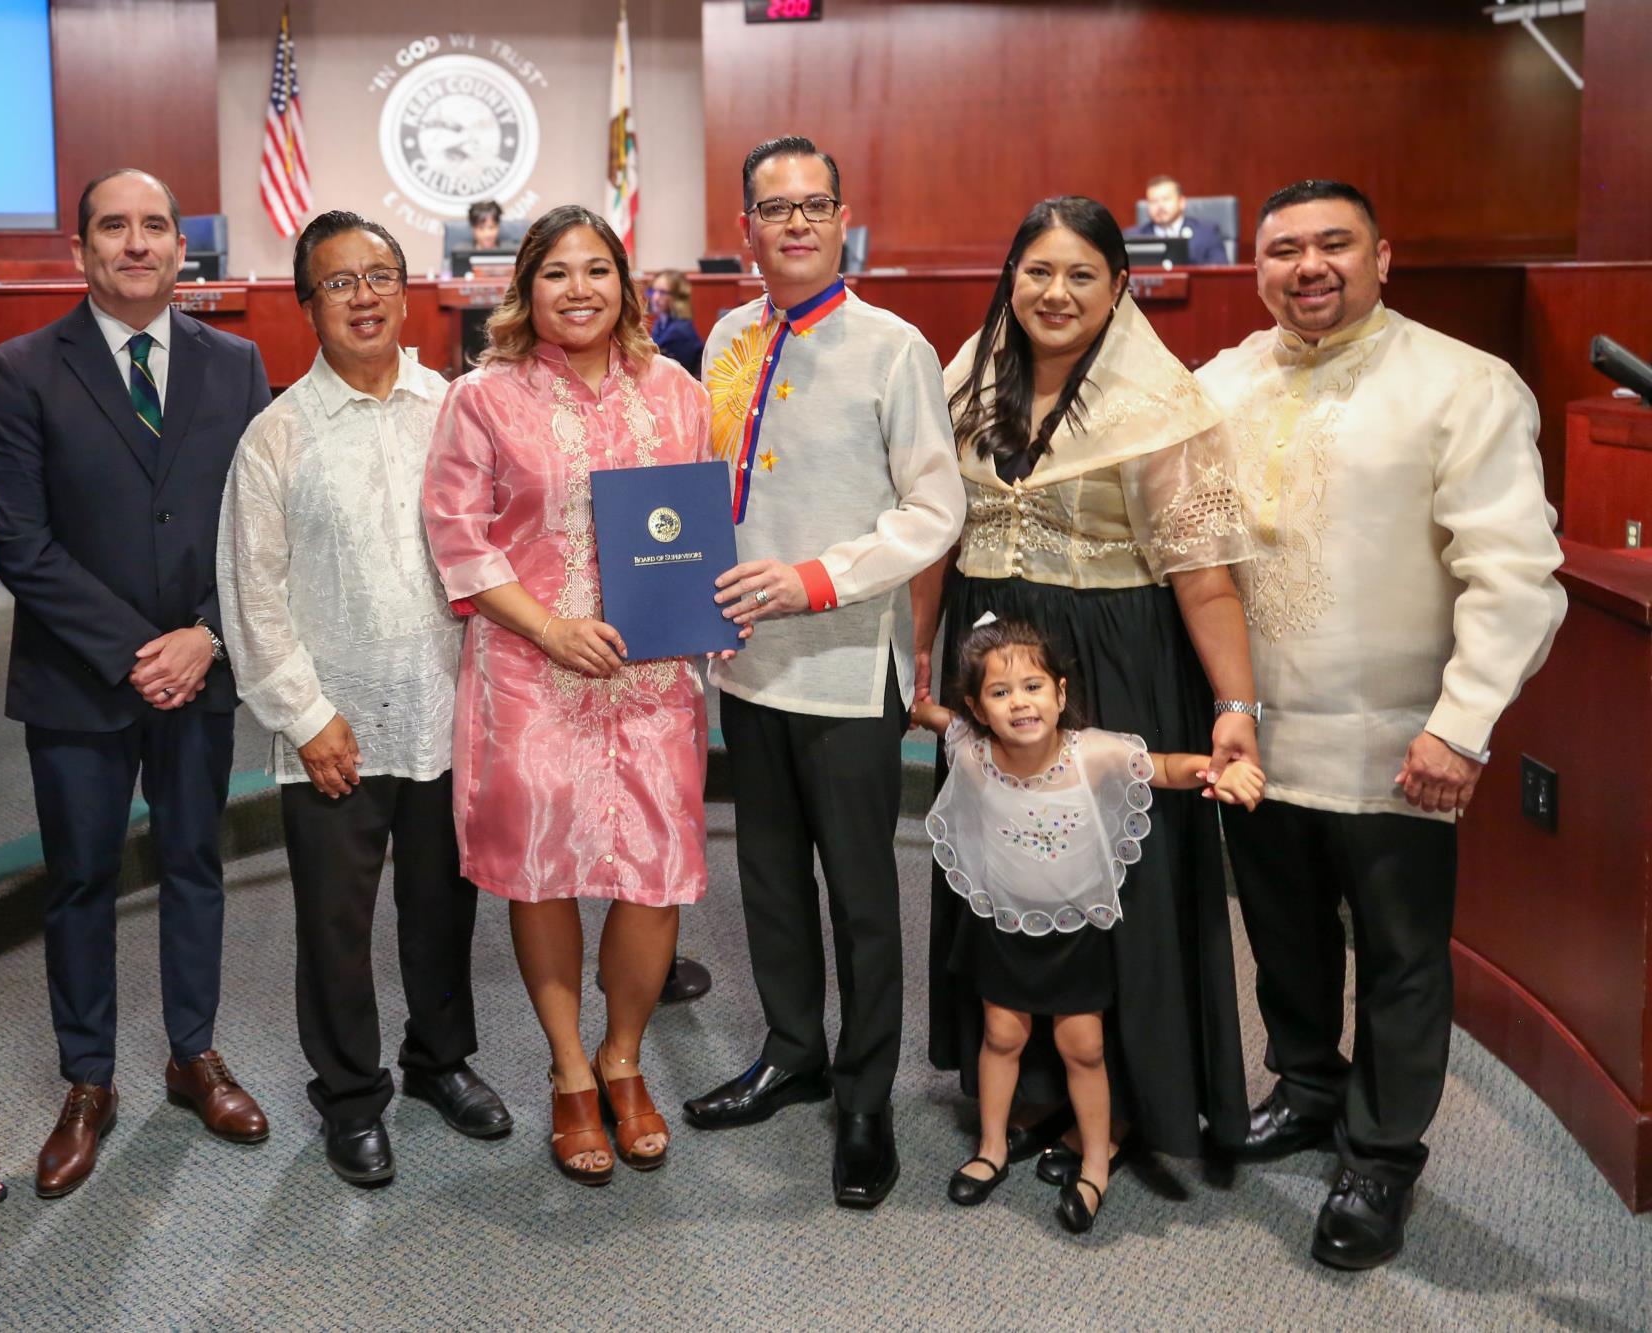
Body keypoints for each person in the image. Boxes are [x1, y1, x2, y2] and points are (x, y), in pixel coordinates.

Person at [1197, 179, 1567, 1270]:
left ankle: (1380, 1152)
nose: (1306, 267)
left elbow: (1514, 572)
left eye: (1331, 245)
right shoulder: (1217, 383)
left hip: (1396, 741)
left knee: (1399, 958)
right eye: (1281, 251)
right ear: (1254, 268)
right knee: (1281, 935)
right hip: (1255, 737)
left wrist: (1459, 725)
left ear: (1381, 257)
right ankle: (1306, 1087)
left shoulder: (1460, 384)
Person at [913, 196, 1258, 1189]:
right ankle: (1022, 1093)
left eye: (1079, 275)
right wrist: (920, 658)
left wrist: (1237, 707)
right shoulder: (965, 380)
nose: (1054, 293)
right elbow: (937, 533)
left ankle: (1137, 1098)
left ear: (1117, 287)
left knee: (1118, 882)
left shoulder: (1162, 403)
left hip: (1115, 660)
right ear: (1008, 278)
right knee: (1004, 863)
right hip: (995, 659)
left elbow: (1202, 575)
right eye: (1035, 271)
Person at [0, 168, 273, 1199]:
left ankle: (194, 1054)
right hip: (77, 680)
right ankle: (87, 1079)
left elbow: (256, 527)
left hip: (203, 670)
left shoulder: (237, 364)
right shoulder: (19, 369)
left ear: (180, 248)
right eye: (114, 227)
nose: (136, 242)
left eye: (155, 226)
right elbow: (19, 538)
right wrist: (140, 647)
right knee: (82, 881)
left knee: (194, 863)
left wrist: (205, 637)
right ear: (80, 249)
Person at [682, 135, 965, 1212]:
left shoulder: (892, 346)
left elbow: (934, 511)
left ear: (841, 218)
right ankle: (791, 1051)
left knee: (857, 894)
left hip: (847, 669)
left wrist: (813, 577)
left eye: (812, 205)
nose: (793, 223)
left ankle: (863, 1096)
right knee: (766, 883)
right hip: (746, 667)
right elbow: (708, 488)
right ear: (744, 226)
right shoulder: (724, 336)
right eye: (772, 207)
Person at [421, 204, 716, 1188]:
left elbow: (692, 527)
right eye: (556, 272)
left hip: (650, 677)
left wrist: (705, 604)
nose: (578, 288)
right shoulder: (482, 399)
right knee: (541, 870)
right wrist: (548, 627)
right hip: (531, 672)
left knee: (654, 873)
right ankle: (567, 1072)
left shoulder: (675, 391)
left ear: (626, 286)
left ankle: (623, 1055)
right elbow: (458, 540)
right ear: (525, 288)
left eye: (597, 269)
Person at [217, 209, 509, 1188]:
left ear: (406, 288)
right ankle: (349, 1093)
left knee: (440, 904)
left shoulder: (459, 407)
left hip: (450, 706)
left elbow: (501, 549)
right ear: (307, 304)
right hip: (335, 724)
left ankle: (439, 1060)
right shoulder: (277, 434)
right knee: (335, 923)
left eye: (378, 275)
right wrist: (302, 714)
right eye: (338, 282)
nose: (363, 296)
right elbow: (251, 590)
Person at [912, 614, 1264, 1234]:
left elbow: (1162, 766)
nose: (1020, 704)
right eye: (1000, 693)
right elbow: (945, 722)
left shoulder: (1091, 753)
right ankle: (992, 1146)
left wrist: (1219, 770)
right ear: (978, 706)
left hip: (1074, 935)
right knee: (1001, 1036)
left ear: (1061, 694)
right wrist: (922, 710)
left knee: (1084, 1047)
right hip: (1002, 927)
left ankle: (1095, 1163)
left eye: (1033, 688)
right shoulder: (971, 748)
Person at [1123, 175, 1227, 265]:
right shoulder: (1131, 237)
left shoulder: (1206, 232)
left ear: (1182, 202)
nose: (1160, 206)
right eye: (1153, 201)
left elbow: (1219, 274)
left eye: (1166, 199)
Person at [649, 270, 704, 378]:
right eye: (653, 291)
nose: (655, 298)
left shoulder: (680, 331)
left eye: (663, 292)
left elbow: (676, 377)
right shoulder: (659, 324)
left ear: (677, 298)